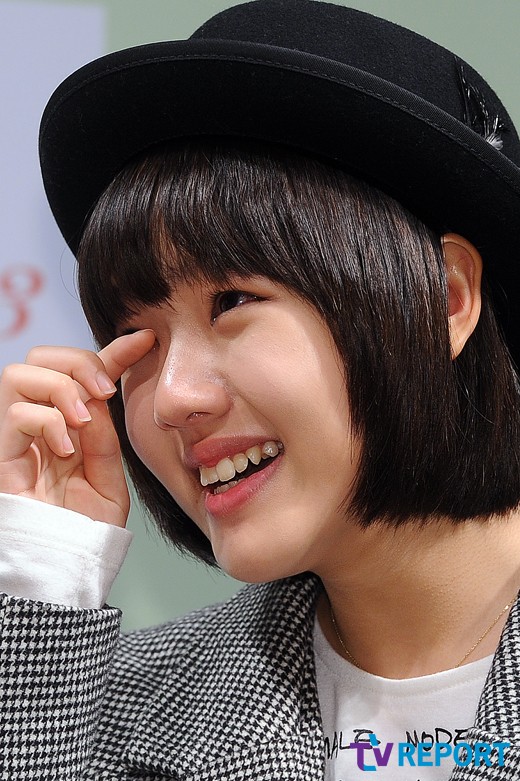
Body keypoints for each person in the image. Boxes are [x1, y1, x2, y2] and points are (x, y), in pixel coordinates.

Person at [1, 1, 520, 778]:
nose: (171, 398)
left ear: (442, 298)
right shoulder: (105, 716)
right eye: (139, 339)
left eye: (232, 301)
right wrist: (44, 576)